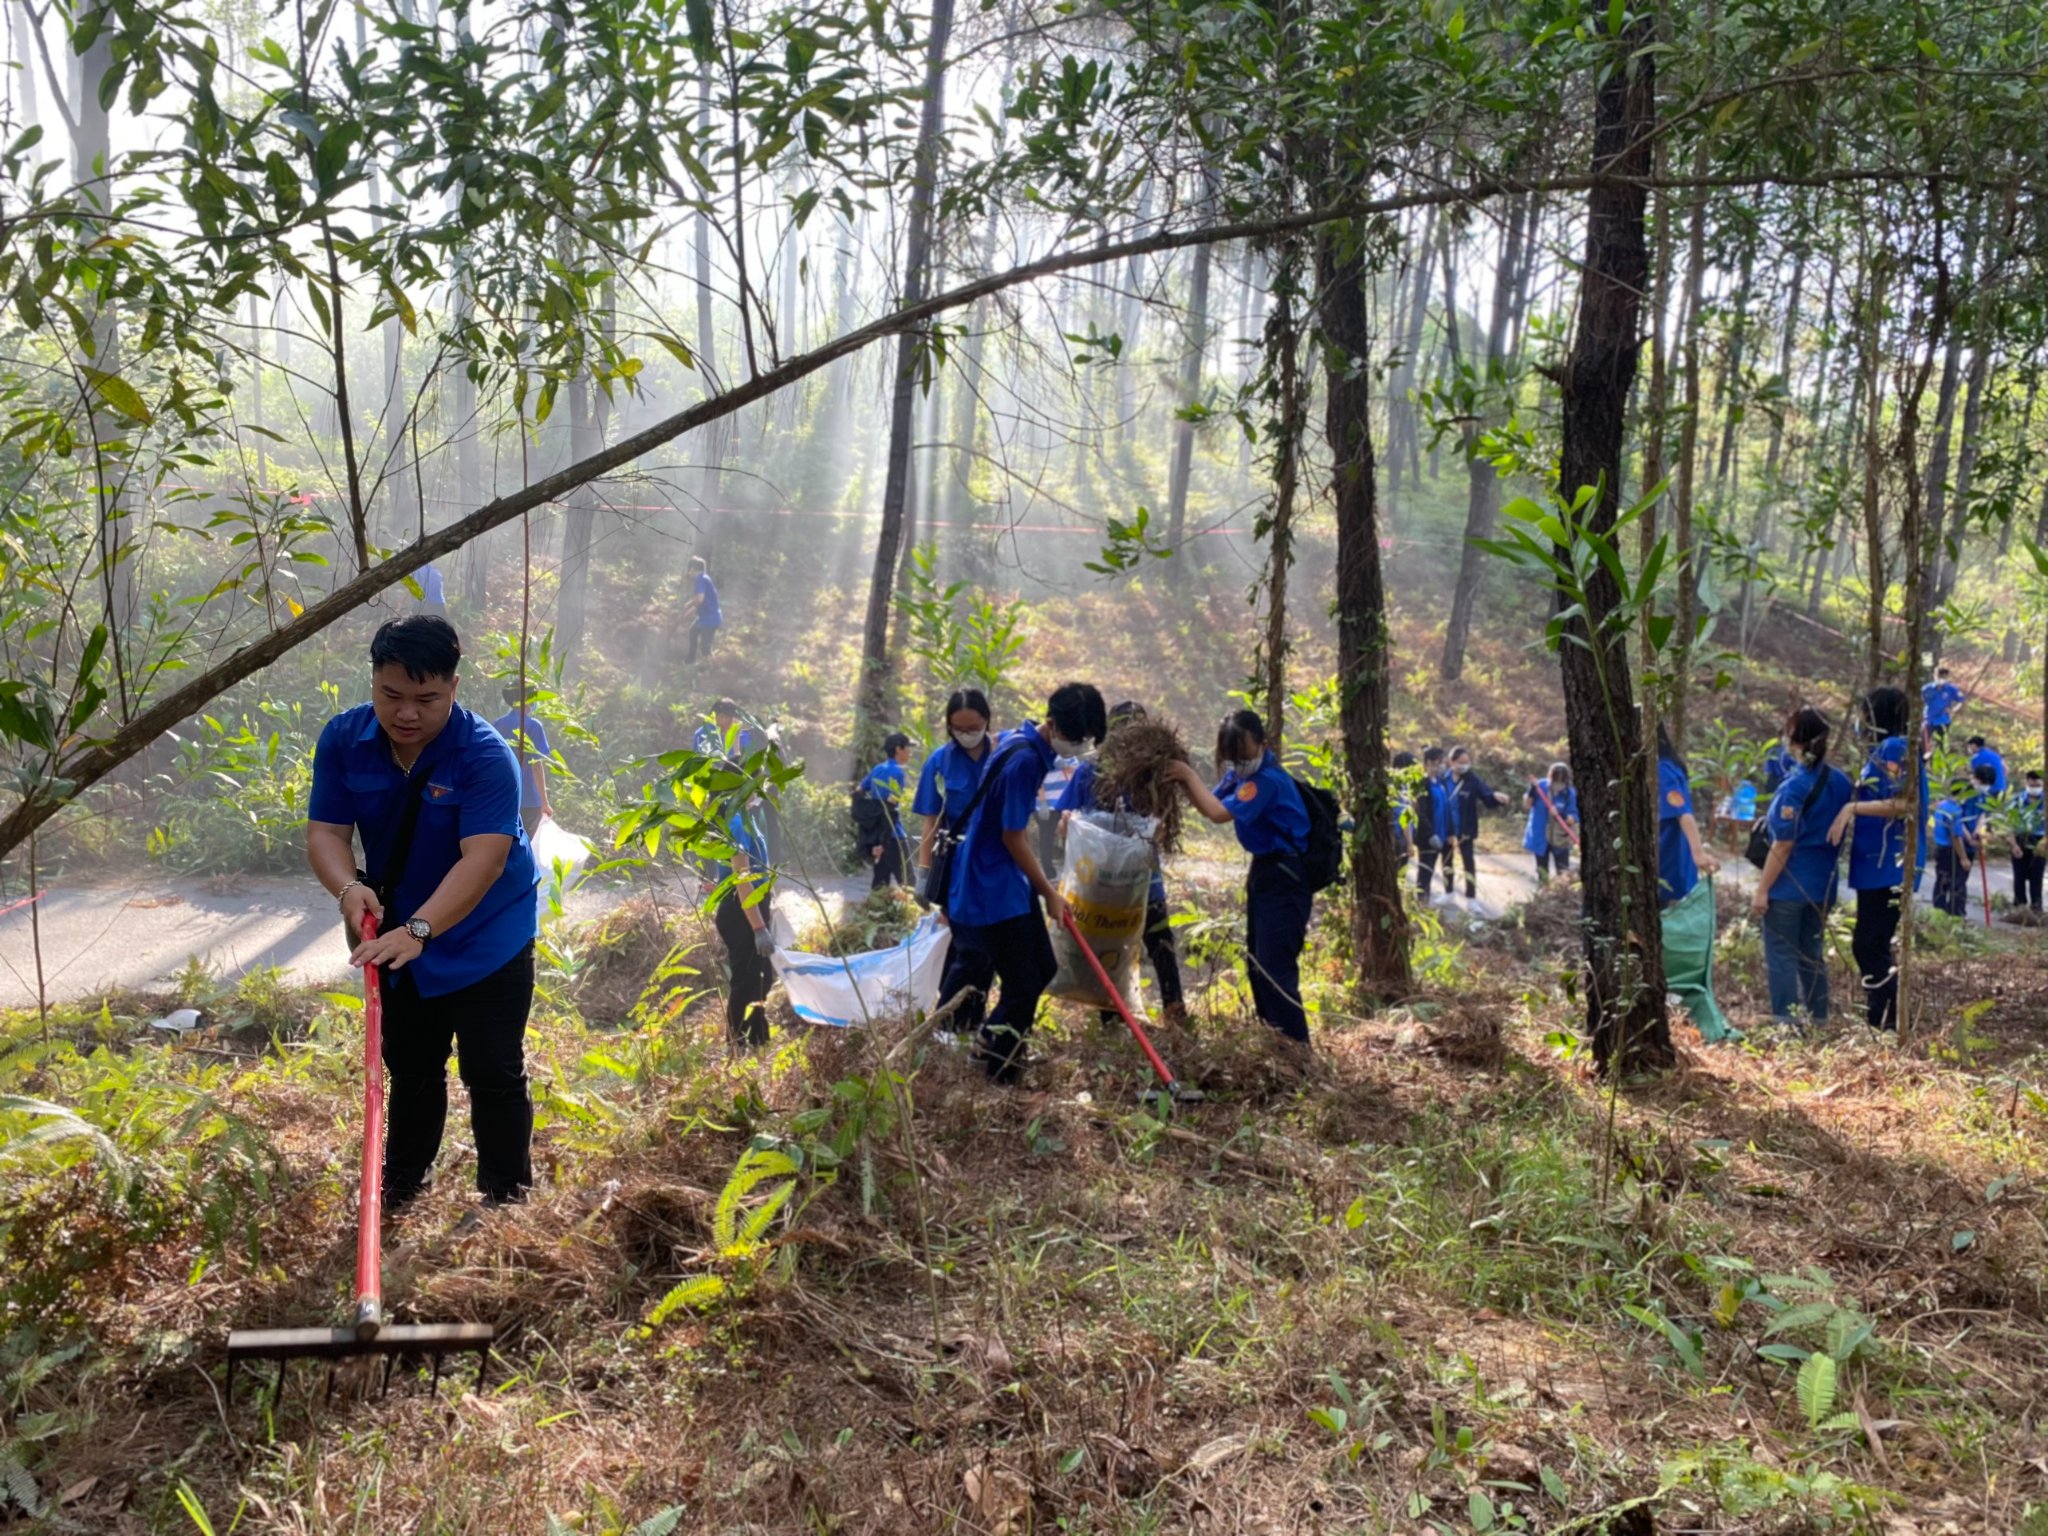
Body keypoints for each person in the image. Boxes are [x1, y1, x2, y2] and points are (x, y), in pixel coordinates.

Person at [305, 616, 540, 1210]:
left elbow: (484, 860)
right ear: (373, 681)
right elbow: (327, 832)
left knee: (493, 1069)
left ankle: (507, 1198)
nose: (406, 713)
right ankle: (403, 1186)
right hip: (400, 933)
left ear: (454, 687)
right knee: (410, 1065)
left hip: (489, 933)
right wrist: (346, 888)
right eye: (391, 695)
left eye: (427, 699)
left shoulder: (485, 755)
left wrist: (420, 929)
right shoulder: (344, 739)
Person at [945, 682, 1108, 1083]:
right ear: (1053, 724)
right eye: (1077, 737)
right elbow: (1012, 836)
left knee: (1043, 966)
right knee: (1024, 982)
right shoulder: (1025, 762)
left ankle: (990, 1041)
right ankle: (1001, 1071)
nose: (1079, 745)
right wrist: (1050, 893)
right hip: (992, 887)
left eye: (1086, 738)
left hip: (1007, 882)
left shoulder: (1020, 740)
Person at [1164, 710, 1314, 1053]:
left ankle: (1297, 1051)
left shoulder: (1266, 781)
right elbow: (1210, 801)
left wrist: (1187, 774)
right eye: (1232, 757)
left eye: (1244, 755)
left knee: (1275, 968)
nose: (1239, 763)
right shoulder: (1240, 776)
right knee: (1258, 963)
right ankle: (1275, 1044)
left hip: (1286, 876)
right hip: (1265, 872)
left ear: (1263, 744)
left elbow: (1218, 814)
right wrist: (1179, 780)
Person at [1057, 700, 1187, 1031]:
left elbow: (1164, 819)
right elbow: (1063, 822)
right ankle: (1112, 1020)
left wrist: (1158, 828)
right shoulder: (1090, 771)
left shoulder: (1153, 774)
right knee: (1107, 944)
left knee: (1160, 941)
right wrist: (1069, 825)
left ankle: (1176, 1016)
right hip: (1101, 882)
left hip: (1144, 879)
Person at [1828, 685, 1928, 1032]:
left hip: (1890, 866)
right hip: (1873, 866)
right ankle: (1883, 1018)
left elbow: (1905, 803)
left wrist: (1851, 808)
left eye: (1864, 715)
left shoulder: (1896, 748)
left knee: (1869, 944)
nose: (1861, 722)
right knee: (1869, 943)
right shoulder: (1879, 754)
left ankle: (1885, 1021)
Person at [1750, 708, 1853, 1030]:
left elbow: (1783, 844)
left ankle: (1785, 1023)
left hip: (1788, 885)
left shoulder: (1794, 785)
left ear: (1793, 740)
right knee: (1812, 953)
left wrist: (1762, 890)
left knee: (1781, 953)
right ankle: (1820, 1019)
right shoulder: (1840, 782)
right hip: (1824, 885)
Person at [914, 689, 997, 1031]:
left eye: (973, 728)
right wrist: (923, 874)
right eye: (959, 729)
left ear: (986, 721)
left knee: (989, 946)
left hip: (996, 864)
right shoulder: (940, 762)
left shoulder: (1003, 755)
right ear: (949, 726)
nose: (967, 734)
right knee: (966, 945)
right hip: (956, 866)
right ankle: (950, 1021)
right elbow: (931, 822)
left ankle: (973, 1017)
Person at [1656, 721, 1735, 1042]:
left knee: (1661, 928)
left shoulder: (1662, 768)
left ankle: (1670, 995)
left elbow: (1683, 813)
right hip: (1665, 861)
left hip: (1667, 864)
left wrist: (1698, 852)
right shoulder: (1665, 765)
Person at [711, 802, 777, 1050]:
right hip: (742, 912)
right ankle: (736, 1044)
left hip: (753, 907)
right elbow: (742, 879)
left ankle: (757, 1039)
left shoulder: (747, 817)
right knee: (746, 981)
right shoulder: (736, 822)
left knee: (763, 978)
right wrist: (759, 929)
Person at [1445, 747, 1511, 904]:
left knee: (1468, 861)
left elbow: (1486, 794)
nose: (1464, 766)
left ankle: (1471, 897)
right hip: (1446, 827)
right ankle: (1448, 893)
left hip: (1465, 828)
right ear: (1451, 762)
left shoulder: (1472, 780)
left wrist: (1496, 797)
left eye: (1467, 762)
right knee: (1446, 861)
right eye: (1461, 762)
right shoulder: (1443, 779)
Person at [492, 681, 554, 836]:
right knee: (526, 841)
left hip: (504, 796)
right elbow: (536, 766)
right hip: (530, 798)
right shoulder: (534, 726)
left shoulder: (498, 724)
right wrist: (544, 802)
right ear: (529, 699)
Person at [856, 732, 914, 890]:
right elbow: (890, 808)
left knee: (880, 884)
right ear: (898, 749)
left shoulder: (877, 769)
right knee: (909, 883)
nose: (910, 752)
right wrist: (884, 841)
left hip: (878, 834)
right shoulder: (897, 773)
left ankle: (876, 906)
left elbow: (859, 790)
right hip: (893, 836)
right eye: (908, 748)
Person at [1929, 774, 1980, 918]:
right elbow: (1956, 836)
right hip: (1951, 850)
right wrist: (1963, 858)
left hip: (1940, 848)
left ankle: (1939, 912)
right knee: (1957, 882)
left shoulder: (1942, 806)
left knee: (1942, 880)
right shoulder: (1954, 810)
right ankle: (1956, 913)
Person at [1522, 762, 1578, 884]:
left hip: (1560, 838)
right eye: (1555, 781)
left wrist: (1561, 814)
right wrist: (1532, 790)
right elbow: (1527, 805)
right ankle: (1543, 891)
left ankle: (1561, 893)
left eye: (1561, 782)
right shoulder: (1540, 787)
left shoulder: (1570, 793)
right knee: (1542, 871)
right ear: (1549, 776)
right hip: (1540, 835)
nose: (1557, 786)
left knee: (1563, 872)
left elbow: (1573, 818)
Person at [1414, 747, 1456, 899]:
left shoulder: (1441, 782)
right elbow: (1420, 812)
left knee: (1446, 867)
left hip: (1443, 834)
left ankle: (1440, 897)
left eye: (1440, 762)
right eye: (1435, 762)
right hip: (1429, 837)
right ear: (1427, 762)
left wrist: (1451, 832)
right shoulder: (1422, 783)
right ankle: (1421, 902)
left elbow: (1447, 808)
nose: (1439, 765)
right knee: (1426, 871)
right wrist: (1430, 834)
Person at [2013, 769, 2046, 913]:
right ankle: (2019, 907)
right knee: (2019, 875)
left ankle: (2036, 907)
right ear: (2026, 783)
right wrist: (2014, 845)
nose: (2034, 788)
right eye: (2032, 785)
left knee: (2037, 876)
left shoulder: (2045, 801)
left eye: (2037, 785)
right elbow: (2010, 825)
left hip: (2040, 840)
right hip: (2020, 838)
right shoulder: (2017, 800)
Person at [685, 555, 722, 663]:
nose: (689, 573)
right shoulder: (704, 577)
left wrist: (689, 603)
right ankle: (690, 660)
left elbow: (699, 599)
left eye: (690, 570)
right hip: (705, 616)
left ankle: (712, 667)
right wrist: (687, 612)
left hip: (710, 619)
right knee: (693, 632)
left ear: (693, 569)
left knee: (705, 649)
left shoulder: (700, 579)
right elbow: (701, 602)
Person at [1922, 665, 1964, 748]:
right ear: (1934, 676)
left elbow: (1961, 701)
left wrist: (1953, 710)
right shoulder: (1926, 689)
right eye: (1939, 676)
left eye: (1944, 677)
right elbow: (1920, 701)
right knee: (1924, 744)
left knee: (1940, 745)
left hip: (1943, 721)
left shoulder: (1952, 689)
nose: (1941, 679)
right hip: (1929, 719)